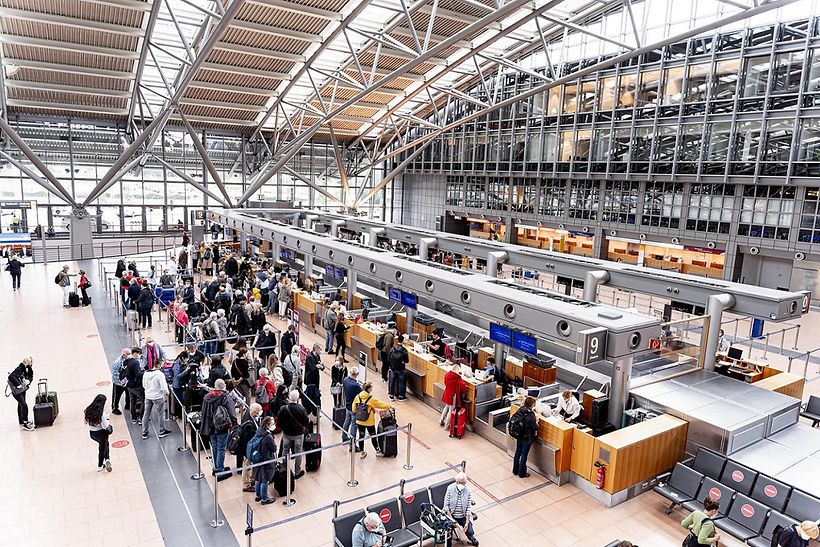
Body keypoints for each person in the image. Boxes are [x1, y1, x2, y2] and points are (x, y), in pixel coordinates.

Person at [201, 378, 237, 479]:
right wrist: (234, 423)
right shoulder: (225, 397)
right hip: (222, 426)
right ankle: (220, 470)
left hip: (210, 426)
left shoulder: (207, 397)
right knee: (221, 448)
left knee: (215, 447)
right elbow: (231, 412)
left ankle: (216, 467)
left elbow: (204, 413)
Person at [352, 382, 392, 459]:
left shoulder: (357, 397)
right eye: (371, 388)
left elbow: (353, 409)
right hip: (369, 422)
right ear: (368, 389)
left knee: (361, 436)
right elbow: (380, 404)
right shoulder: (371, 399)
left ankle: (362, 452)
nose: (372, 389)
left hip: (359, 421)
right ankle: (377, 451)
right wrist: (389, 406)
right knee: (373, 435)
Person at [277, 390, 310, 479]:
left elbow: (279, 422)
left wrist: (284, 428)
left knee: (285, 450)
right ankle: (297, 471)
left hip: (286, 433)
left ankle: (284, 469)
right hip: (298, 434)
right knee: (298, 452)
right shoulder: (301, 408)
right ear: (298, 398)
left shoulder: (283, 408)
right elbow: (307, 422)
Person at [444, 472, 479, 546]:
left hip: (463, 516)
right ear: (456, 481)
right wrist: (451, 520)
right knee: (448, 529)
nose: (461, 484)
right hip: (451, 515)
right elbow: (446, 506)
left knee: (469, 531)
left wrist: (467, 522)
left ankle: (471, 538)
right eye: (460, 482)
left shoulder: (468, 490)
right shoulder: (450, 488)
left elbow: (468, 508)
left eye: (463, 483)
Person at [140, 359, 171, 440]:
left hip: (148, 396)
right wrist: (167, 392)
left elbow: (143, 385)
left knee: (146, 414)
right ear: (159, 365)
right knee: (161, 414)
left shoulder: (146, 373)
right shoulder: (160, 374)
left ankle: (144, 432)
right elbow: (164, 386)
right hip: (158, 396)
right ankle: (162, 431)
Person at [511, 396, 539, 478]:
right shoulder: (531, 414)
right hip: (527, 437)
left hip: (519, 434)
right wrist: (537, 422)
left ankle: (515, 470)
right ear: (532, 405)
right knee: (524, 455)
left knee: (518, 452)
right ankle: (522, 473)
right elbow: (534, 427)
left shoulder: (521, 409)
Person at [238, 402, 264, 492]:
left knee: (248, 465)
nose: (259, 413)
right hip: (247, 449)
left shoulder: (249, 414)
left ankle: (250, 479)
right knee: (247, 466)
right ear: (254, 412)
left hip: (249, 448)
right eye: (258, 412)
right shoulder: (248, 423)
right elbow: (248, 439)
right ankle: (246, 485)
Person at [84, 394, 112, 472]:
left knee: (105, 444)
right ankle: (100, 465)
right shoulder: (101, 413)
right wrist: (107, 419)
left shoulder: (88, 409)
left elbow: (85, 422)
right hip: (101, 433)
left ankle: (107, 459)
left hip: (92, 433)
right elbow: (105, 426)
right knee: (102, 448)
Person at [252, 416, 277, 505]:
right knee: (265, 479)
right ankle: (264, 498)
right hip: (266, 459)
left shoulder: (258, 431)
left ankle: (258, 495)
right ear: (267, 425)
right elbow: (273, 449)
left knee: (258, 477)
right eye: (273, 424)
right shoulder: (268, 437)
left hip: (257, 459)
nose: (274, 425)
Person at [8, 357, 34, 430]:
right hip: (17, 391)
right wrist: (18, 385)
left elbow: (31, 376)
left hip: (22, 390)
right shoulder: (19, 368)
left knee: (21, 405)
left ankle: (21, 421)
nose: (30, 364)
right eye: (29, 362)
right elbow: (11, 376)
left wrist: (28, 381)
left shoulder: (28, 368)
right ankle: (25, 422)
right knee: (24, 405)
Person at [123, 347, 145, 425]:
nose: (139, 355)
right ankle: (141, 418)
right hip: (136, 386)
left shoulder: (127, 361)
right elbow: (138, 374)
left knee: (133, 400)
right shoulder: (135, 362)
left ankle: (134, 418)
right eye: (139, 354)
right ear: (135, 353)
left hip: (128, 385)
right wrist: (145, 372)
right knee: (143, 400)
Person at [341, 366, 363, 445]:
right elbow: (362, 394)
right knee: (354, 425)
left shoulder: (345, 380)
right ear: (357, 374)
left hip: (347, 405)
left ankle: (344, 438)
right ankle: (352, 443)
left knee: (346, 422)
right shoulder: (356, 385)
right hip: (354, 408)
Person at [303, 343, 325, 417]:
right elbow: (312, 368)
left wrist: (320, 366)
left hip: (316, 379)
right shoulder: (309, 357)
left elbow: (321, 366)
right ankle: (311, 410)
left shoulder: (318, 356)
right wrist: (318, 366)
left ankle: (316, 411)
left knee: (316, 394)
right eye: (320, 349)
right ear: (316, 349)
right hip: (310, 379)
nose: (320, 351)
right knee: (310, 394)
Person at [387, 335, 409, 401]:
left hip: (393, 367)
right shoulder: (404, 350)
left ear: (397, 340)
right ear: (403, 341)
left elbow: (388, 358)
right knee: (401, 382)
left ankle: (391, 395)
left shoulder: (393, 348)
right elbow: (406, 361)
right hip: (401, 368)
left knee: (392, 381)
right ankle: (401, 396)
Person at [110, 348, 131, 415]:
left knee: (128, 394)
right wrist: (121, 382)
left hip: (126, 381)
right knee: (116, 396)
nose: (129, 355)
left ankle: (128, 405)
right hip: (118, 383)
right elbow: (115, 374)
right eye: (128, 354)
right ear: (124, 354)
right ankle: (114, 408)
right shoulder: (117, 363)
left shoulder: (127, 360)